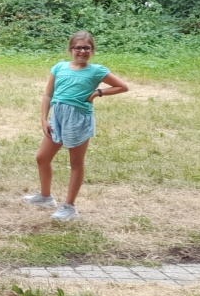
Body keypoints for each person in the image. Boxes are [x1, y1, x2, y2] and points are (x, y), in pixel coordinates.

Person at [24, 31, 129, 222]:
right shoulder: (59, 67)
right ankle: (46, 197)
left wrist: (99, 92)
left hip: (78, 119)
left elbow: (123, 86)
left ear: (92, 50)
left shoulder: (97, 70)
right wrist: (44, 119)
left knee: (75, 162)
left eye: (86, 48)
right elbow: (48, 95)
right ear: (70, 49)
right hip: (57, 118)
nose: (82, 51)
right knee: (42, 157)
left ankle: (69, 207)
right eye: (78, 47)